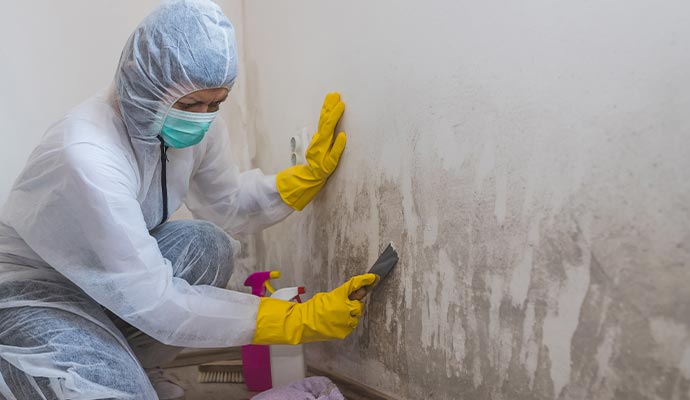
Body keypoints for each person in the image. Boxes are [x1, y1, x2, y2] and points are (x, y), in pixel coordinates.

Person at [0, 1, 376, 399]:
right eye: (190, 105)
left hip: (107, 285)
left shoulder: (196, 124)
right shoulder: (86, 153)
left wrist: (298, 182)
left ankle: (137, 365)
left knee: (206, 244)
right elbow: (155, 299)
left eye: (216, 103)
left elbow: (226, 203)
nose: (203, 116)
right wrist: (293, 319)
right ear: (144, 86)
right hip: (35, 290)